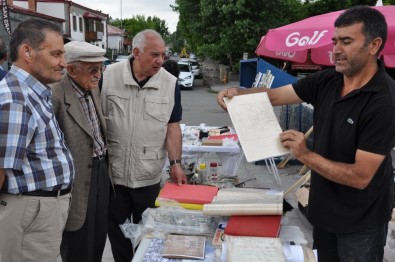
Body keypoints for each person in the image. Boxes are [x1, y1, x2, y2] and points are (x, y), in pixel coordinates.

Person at [217, 6, 395, 262]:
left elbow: (360, 177)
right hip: (324, 212)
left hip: (361, 223)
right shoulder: (328, 80)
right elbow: (276, 95)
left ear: (374, 45)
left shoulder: (385, 101)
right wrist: (236, 94)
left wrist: (305, 154)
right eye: (335, 41)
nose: (336, 50)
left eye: (346, 41)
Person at [101, 29, 187, 261]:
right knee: (118, 234)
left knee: (149, 233)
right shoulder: (108, 76)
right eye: (155, 54)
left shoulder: (170, 84)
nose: (161, 61)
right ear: (136, 52)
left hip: (148, 175)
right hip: (113, 176)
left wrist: (176, 163)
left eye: (163, 55)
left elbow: (172, 127)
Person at [0, 18, 74, 261]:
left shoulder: (31, 92)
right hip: (30, 213)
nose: (63, 63)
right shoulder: (16, 98)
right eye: (56, 54)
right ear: (27, 52)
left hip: (38, 212)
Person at [50, 41, 111, 262]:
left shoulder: (90, 87)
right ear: (72, 69)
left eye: (101, 68)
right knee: (78, 243)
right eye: (93, 69)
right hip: (76, 179)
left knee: (98, 237)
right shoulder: (55, 93)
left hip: (101, 172)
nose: (98, 74)